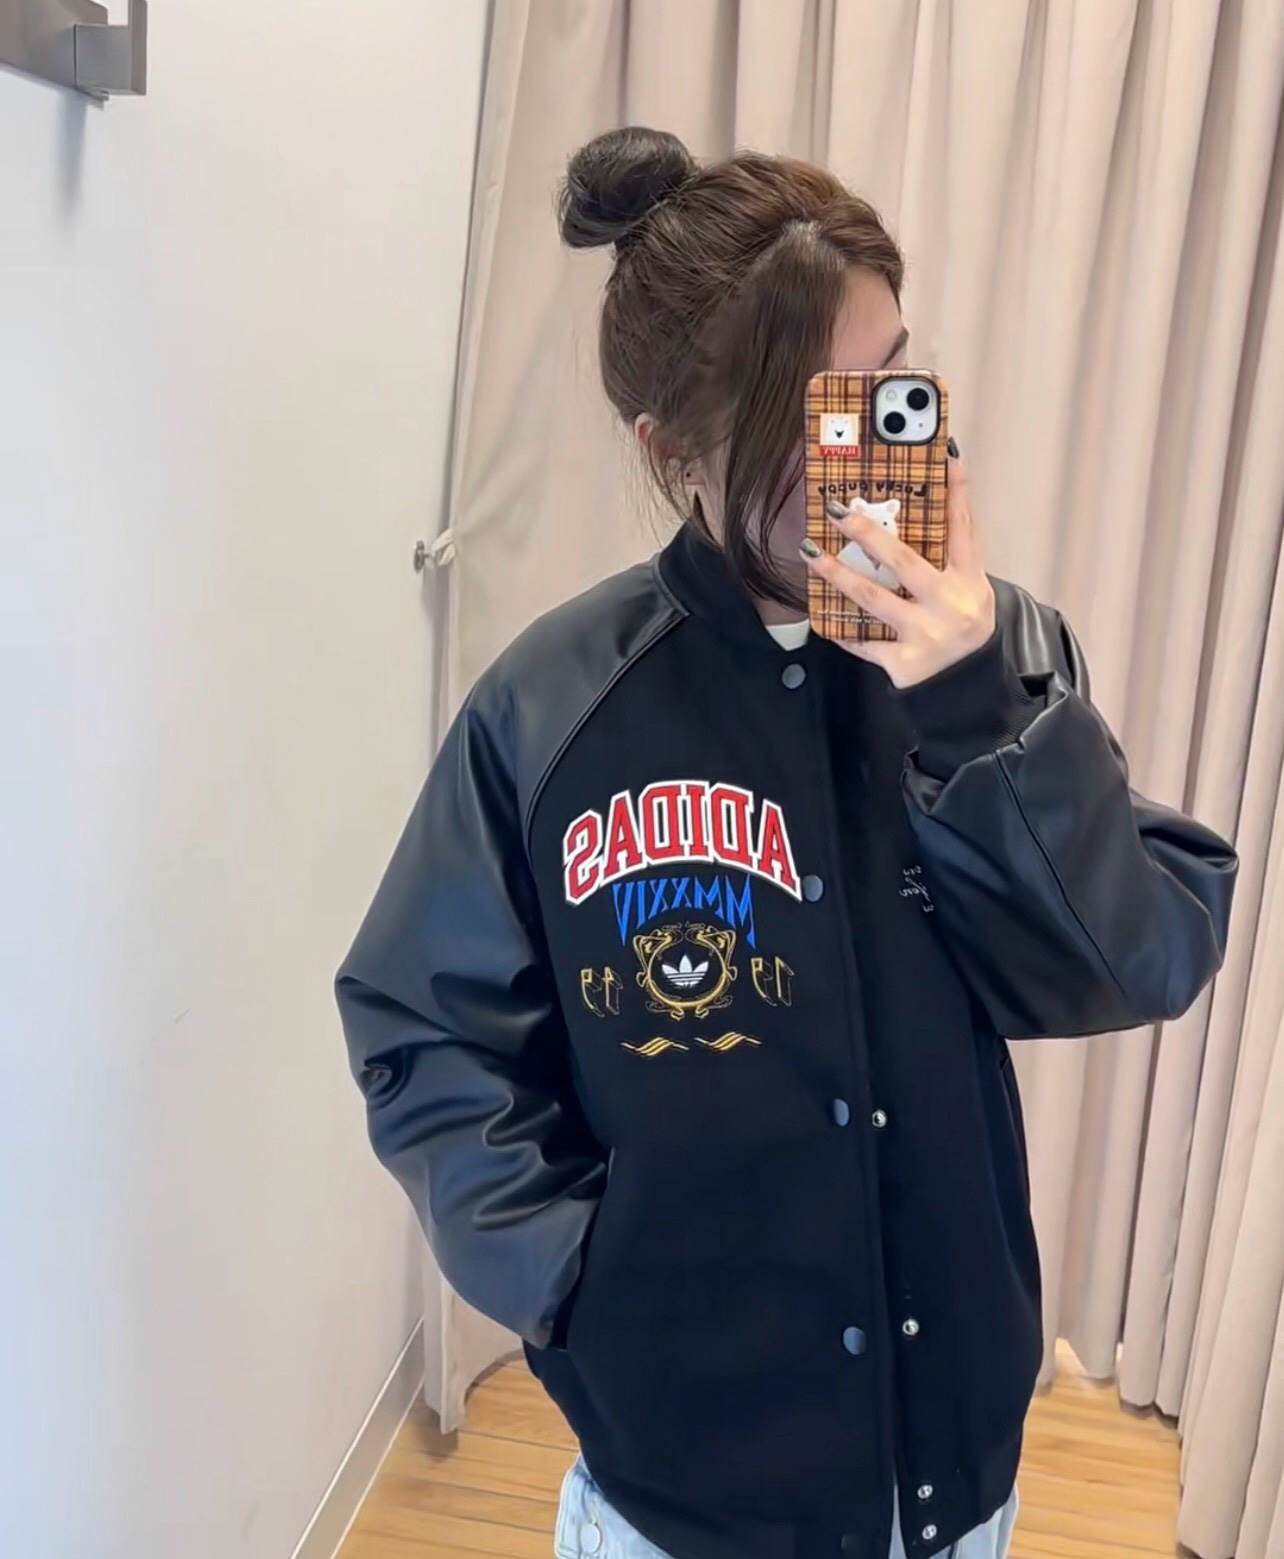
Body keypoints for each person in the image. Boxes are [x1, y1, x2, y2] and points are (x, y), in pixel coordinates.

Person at [336, 128, 1237, 1559]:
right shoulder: (555, 707)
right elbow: (420, 1023)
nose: (885, 454)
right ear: (676, 452)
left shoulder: (1000, 654)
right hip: (680, 1495)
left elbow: (1140, 957)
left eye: (898, 390)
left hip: (957, 1473)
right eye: (827, 419)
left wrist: (971, 711)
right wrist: (574, 1281)